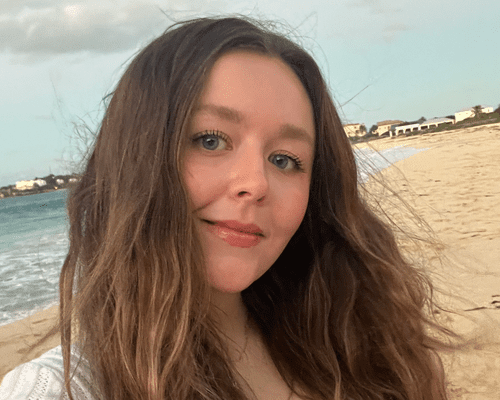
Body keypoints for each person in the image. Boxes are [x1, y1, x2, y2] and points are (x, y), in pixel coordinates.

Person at [0, 16, 452, 400]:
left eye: (285, 160)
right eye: (210, 140)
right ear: (135, 160)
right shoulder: (63, 387)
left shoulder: (360, 341)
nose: (256, 184)